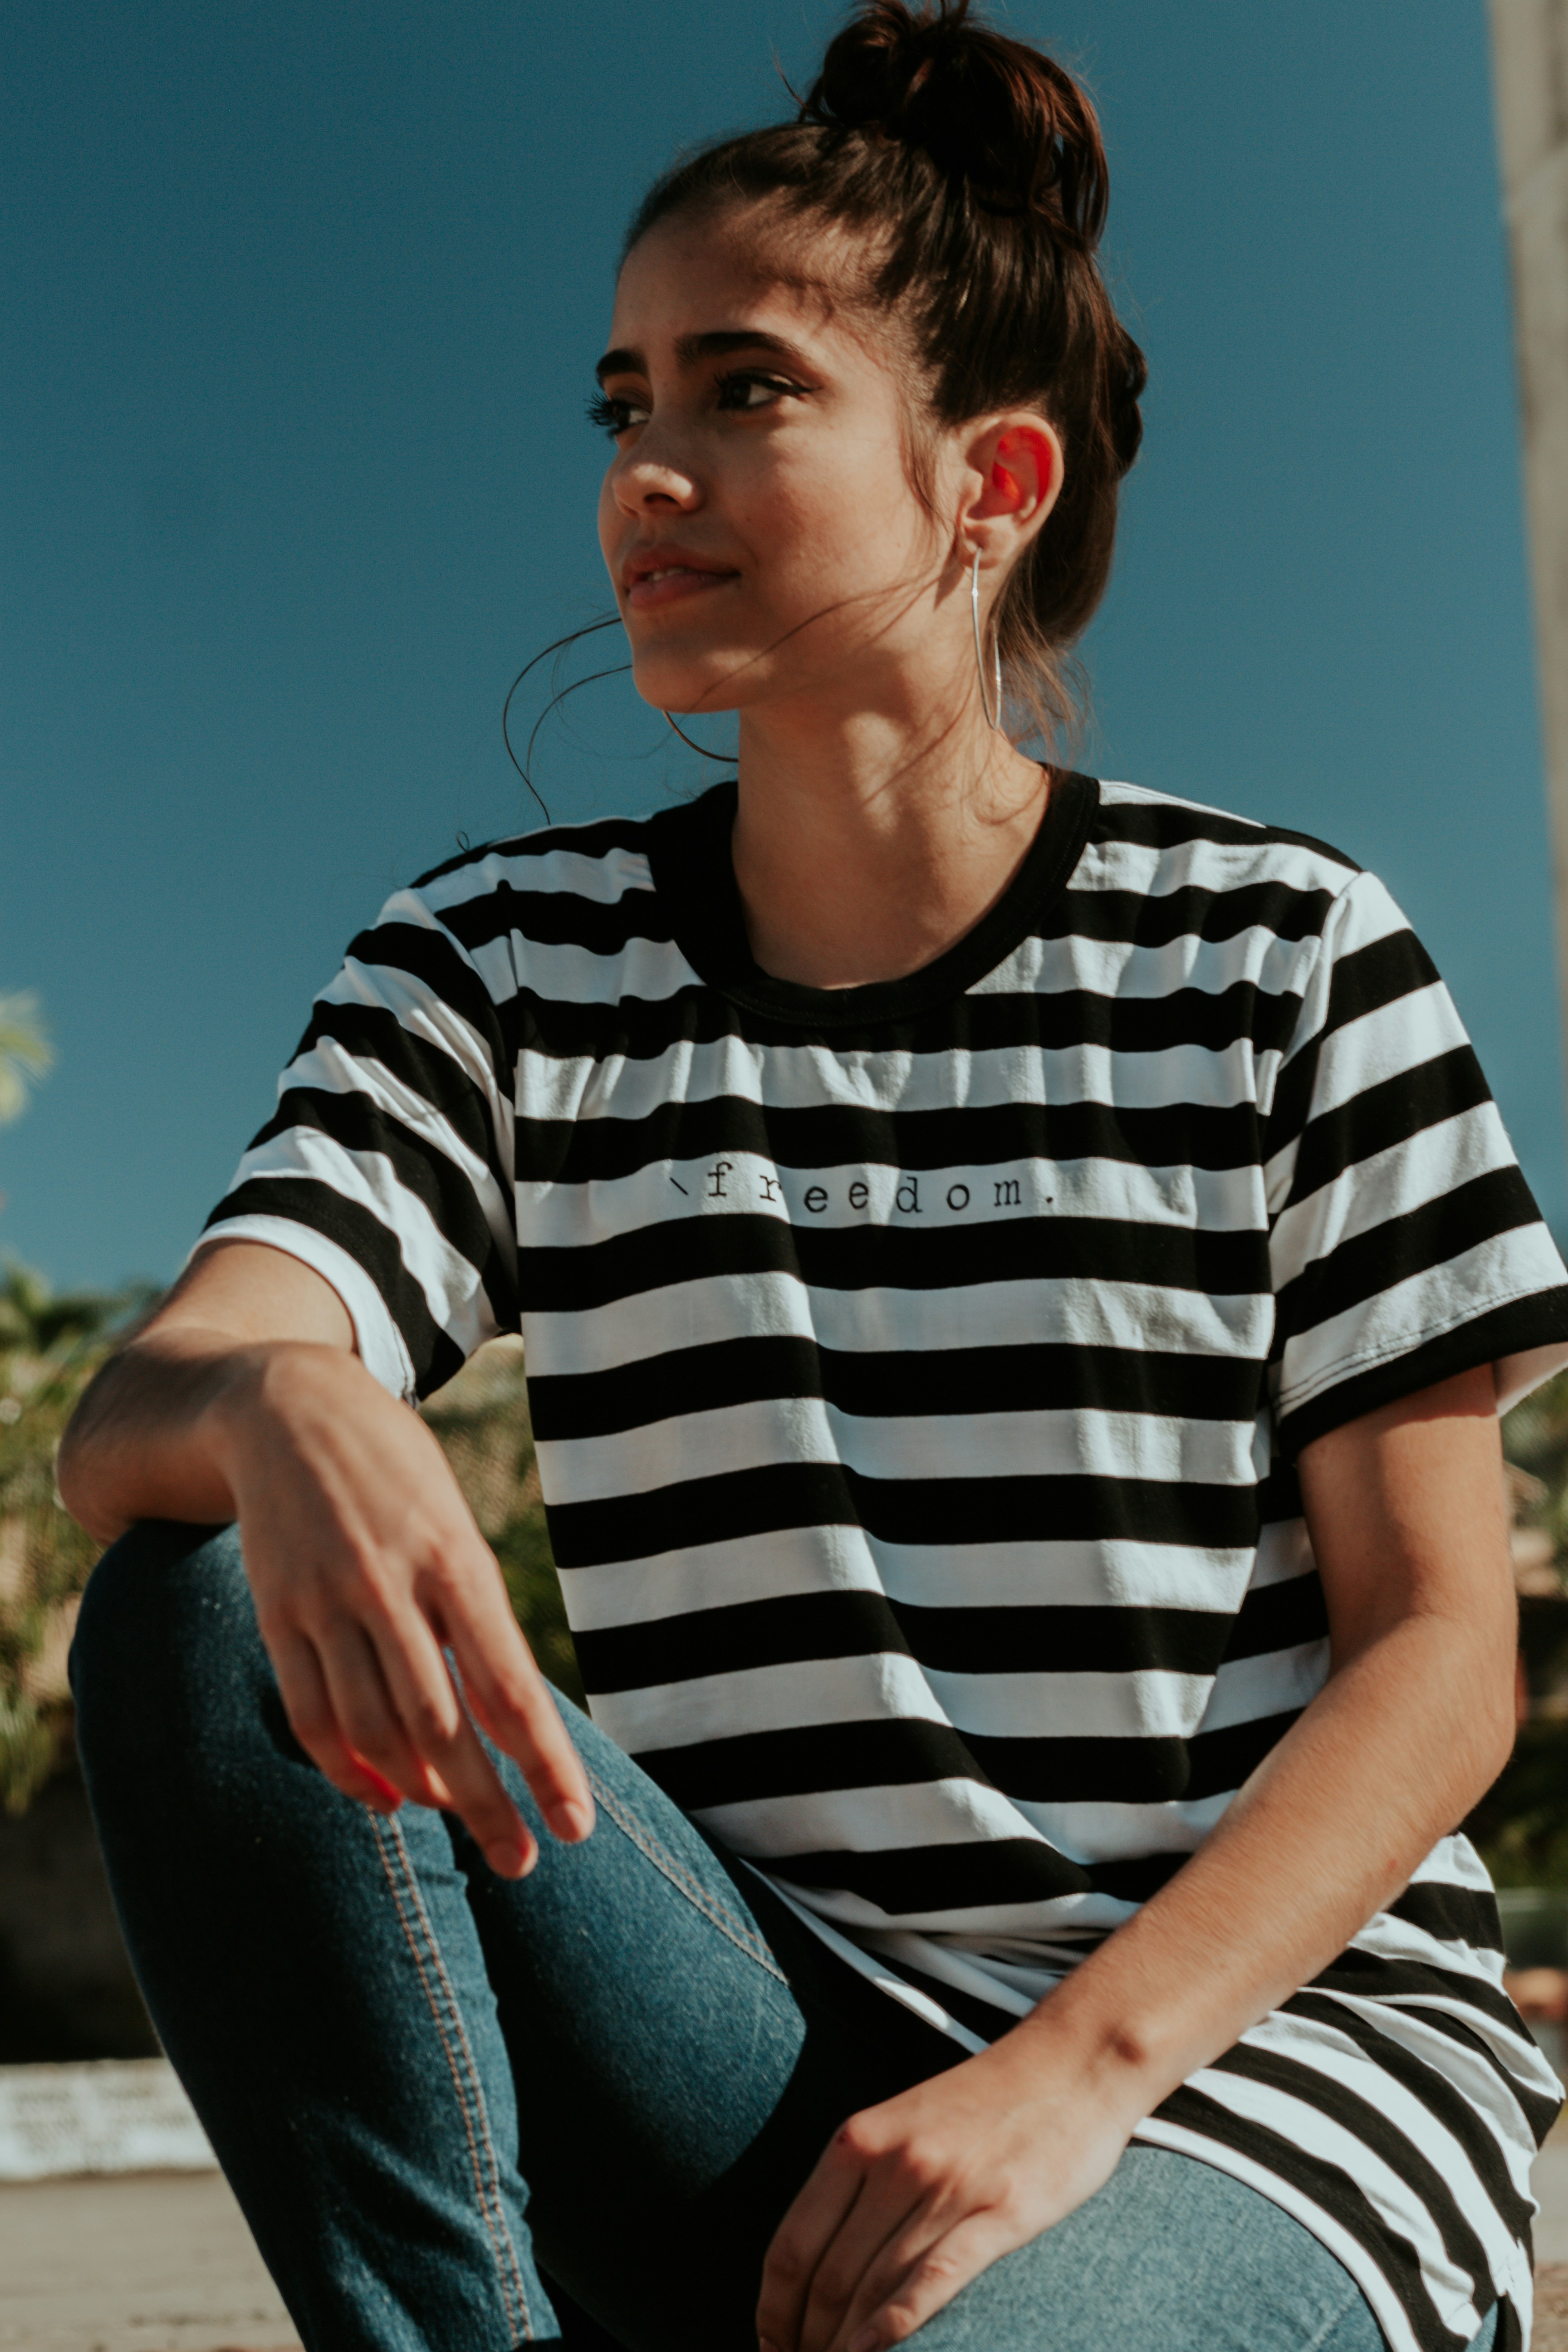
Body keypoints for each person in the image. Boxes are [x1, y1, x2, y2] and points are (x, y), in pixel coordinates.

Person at [60, 5, 1568, 2349]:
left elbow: (1444, 1655)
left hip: (1245, 2064)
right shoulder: (503, 967)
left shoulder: (1282, 951)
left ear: (992, 483)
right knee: (203, 1585)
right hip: (748, 2048)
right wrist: (274, 1400)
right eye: (622, 405)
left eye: (744, 388)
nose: (645, 473)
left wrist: (1067, 2083)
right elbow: (137, 1417)